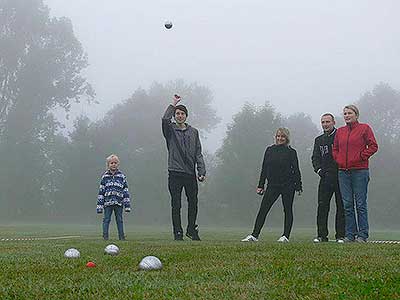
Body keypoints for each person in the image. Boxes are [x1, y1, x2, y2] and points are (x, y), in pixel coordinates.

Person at [241, 128, 302, 243]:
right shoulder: (269, 150)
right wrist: (261, 185)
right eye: (278, 136)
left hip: (288, 185)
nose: (280, 138)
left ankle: (285, 236)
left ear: (287, 138)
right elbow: (264, 168)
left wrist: (298, 185)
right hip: (273, 185)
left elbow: (296, 169)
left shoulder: (291, 152)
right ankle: (254, 235)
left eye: (282, 136)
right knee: (263, 209)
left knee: (287, 210)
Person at [162, 94, 206, 241]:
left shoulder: (194, 132)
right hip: (175, 172)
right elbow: (164, 120)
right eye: (177, 114)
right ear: (174, 116)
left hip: (190, 173)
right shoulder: (170, 131)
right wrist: (173, 104)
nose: (180, 116)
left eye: (182, 114)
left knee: (193, 202)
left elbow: (198, 152)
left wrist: (201, 171)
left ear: (186, 116)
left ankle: (191, 230)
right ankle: (178, 232)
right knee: (176, 204)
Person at [333, 105, 378, 242]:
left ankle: (362, 235)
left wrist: (361, 156)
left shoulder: (365, 128)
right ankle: (350, 234)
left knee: (360, 204)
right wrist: (339, 160)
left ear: (356, 115)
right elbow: (335, 148)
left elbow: (373, 146)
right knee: (347, 205)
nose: (347, 115)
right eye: (345, 113)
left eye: (350, 113)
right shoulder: (340, 131)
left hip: (360, 171)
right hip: (343, 172)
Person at [311, 113, 345, 243]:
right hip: (325, 178)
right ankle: (321, 235)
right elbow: (315, 158)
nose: (325, 124)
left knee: (341, 206)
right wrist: (319, 170)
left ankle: (340, 235)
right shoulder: (319, 140)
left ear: (334, 122)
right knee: (322, 206)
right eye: (323, 122)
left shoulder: (340, 136)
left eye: (327, 122)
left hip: (340, 176)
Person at [96, 154, 131, 240]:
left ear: (118, 164)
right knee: (106, 220)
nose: (113, 164)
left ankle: (121, 237)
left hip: (119, 203)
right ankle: (105, 237)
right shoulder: (105, 177)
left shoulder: (122, 176)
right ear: (108, 164)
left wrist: (127, 205)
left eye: (115, 163)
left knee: (119, 220)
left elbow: (125, 191)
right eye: (111, 163)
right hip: (107, 203)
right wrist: (99, 207)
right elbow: (101, 192)